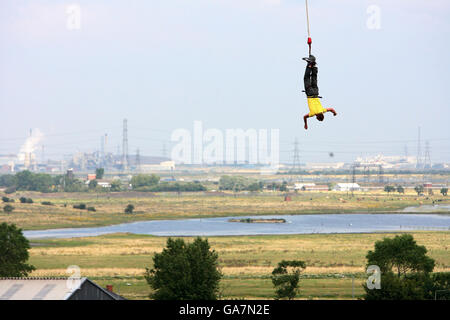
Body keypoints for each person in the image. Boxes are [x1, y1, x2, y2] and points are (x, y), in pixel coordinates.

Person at [302, 55, 337, 130]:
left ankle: (314, 66)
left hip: (316, 92)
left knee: (314, 78)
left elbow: (331, 109)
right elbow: (304, 117)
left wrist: (334, 113)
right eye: (317, 118)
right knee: (306, 78)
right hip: (310, 94)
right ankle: (309, 64)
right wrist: (305, 124)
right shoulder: (313, 113)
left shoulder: (323, 110)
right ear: (318, 116)